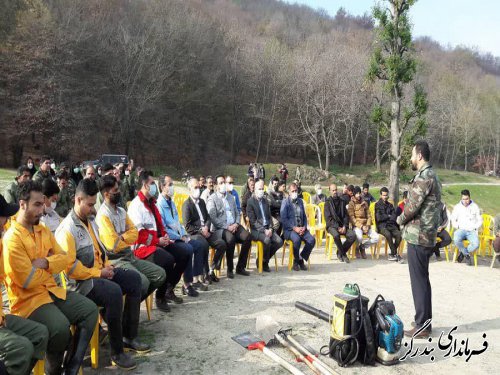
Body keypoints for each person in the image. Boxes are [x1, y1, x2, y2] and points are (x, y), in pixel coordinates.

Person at [2, 180, 98, 375]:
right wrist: (53, 264)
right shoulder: (12, 238)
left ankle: (70, 367)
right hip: (28, 302)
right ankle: (52, 371)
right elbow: (27, 281)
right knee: (60, 328)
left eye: (42, 203)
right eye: (37, 205)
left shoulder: (42, 229)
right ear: (22, 204)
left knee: (89, 310)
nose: (42, 209)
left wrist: (45, 263)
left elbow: (66, 258)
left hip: (52, 290)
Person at [56, 179, 149, 369]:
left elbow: (101, 250)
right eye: (89, 205)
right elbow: (70, 269)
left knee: (133, 279)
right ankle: (117, 352)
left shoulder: (90, 222)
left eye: (93, 204)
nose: (92, 209)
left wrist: (107, 267)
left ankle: (128, 336)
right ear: (78, 200)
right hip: (81, 283)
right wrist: (99, 273)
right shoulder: (67, 229)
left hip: (99, 272)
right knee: (113, 292)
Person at [96, 174, 169, 312]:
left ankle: (126, 309)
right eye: (115, 191)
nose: (119, 193)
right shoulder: (103, 215)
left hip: (129, 255)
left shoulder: (122, 211)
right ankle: (123, 314)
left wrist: (122, 237)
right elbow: (113, 245)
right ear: (106, 194)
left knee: (160, 274)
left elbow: (134, 233)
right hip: (115, 259)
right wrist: (126, 237)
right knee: (143, 282)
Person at [396, 140, 441, 339]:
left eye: (413, 155)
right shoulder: (432, 175)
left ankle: (422, 325)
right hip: (426, 235)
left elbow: (412, 206)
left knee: (419, 281)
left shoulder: (425, 177)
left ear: (420, 156)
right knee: (423, 279)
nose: (411, 158)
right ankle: (424, 321)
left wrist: (399, 219)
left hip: (419, 236)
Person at [0, 194, 49, 375]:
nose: (6, 222)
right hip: (14, 309)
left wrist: (44, 264)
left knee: (40, 334)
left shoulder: (3, 243)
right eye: (3, 216)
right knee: (22, 347)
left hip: (3, 317)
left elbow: (62, 258)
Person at [128, 171, 190, 304]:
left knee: (184, 253)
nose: (154, 186)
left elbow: (159, 225)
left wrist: (165, 236)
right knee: (168, 260)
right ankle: (160, 297)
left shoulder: (152, 203)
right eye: (152, 183)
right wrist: (158, 241)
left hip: (157, 243)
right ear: (145, 185)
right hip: (142, 248)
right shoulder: (136, 205)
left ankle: (169, 288)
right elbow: (140, 234)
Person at [157, 175, 208, 296]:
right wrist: (179, 237)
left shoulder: (171, 202)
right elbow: (164, 228)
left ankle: (196, 279)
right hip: (170, 239)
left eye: (172, 184)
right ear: (162, 187)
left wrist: (184, 235)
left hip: (180, 236)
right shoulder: (160, 204)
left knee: (198, 245)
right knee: (188, 249)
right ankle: (186, 284)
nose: (172, 187)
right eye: (169, 185)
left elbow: (178, 223)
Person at [183, 178, 228, 283]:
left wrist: (207, 227)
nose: (198, 189)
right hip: (195, 234)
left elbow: (207, 217)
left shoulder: (202, 202)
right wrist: (200, 230)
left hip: (206, 231)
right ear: (189, 189)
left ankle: (212, 269)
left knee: (222, 244)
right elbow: (187, 226)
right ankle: (205, 273)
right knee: (204, 245)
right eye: (195, 187)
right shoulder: (187, 205)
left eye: (198, 187)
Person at [206, 175, 251, 278]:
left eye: (224, 182)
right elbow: (213, 218)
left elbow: (236, 212)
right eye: (221, 183)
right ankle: (230, 269)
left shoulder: (231, 197)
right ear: (216, 185)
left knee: (248, 237)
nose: (223, 185)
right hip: (221, 228)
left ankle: (240, 267)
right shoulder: (212, 199)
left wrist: (236, 223)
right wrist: (227, 226)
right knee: (230, 239)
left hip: (234, 225)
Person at [246, 179, 283, 272]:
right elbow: (253, 221)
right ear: (254, 189)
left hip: (268, 228)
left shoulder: (265, 201)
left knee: (279, 241)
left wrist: (270, 228)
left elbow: (269, 217)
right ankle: (264, 263)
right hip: (256, 230)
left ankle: (263, 259)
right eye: (259, 188)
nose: (261, 190)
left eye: (262, 188)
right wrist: (264, 230)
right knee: (267, 240)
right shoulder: (250, 202)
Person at [280, 183, 315, 271]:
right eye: (293, 191)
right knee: (297, 239)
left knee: (312, 240)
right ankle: (296, 262)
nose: (295, 192)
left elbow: (304, 216)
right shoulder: (285, 202)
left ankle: (300, 258)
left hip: (301, 228)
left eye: (296, 191)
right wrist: (294, 228)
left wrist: (304, 227)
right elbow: (284, 219)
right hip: (290, 230)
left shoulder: (300, 201)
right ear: (289, 192)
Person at [324, 184, 356, 263]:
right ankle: (344, 255)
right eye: (333, 190)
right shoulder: (327, 203)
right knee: (336, 235)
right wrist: (338, 227)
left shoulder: (342, 201)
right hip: (332, 226)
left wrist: (345, 226)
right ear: (330, 191)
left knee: (352, 235)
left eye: (336, 190)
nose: (335, 192)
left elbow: (346, 215)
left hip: (343, 226)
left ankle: (340, 252)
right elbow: (328, 219)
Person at [450, 189, 482, 266]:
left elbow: (480, 220)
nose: (465, 201)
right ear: (461, 198)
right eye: (463, 199)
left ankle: (463, 253)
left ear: (469, 198)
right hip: (461, 229)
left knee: (476, 244)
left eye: (467, 199)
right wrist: (457, 226)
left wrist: (475, 227)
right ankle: (466, 255)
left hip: (471, 231)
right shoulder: (457, 207)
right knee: (456, 239)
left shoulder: (475, 206)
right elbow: (453, 218)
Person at [348, 186, 379, 259]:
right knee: (359, 237)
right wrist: (361, 226)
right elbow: (352, 218)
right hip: (357, 226)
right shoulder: (351, 204)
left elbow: (369, 216)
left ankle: (362, 247)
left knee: (376, 237)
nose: (358, 195)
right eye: (356, 194)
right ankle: (356, 249)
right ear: (354, 194)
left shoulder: (364, 203)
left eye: (359, 193)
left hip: (366, 226)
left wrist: (368, 225)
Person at [375, 187, 402, 261]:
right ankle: (395, 254)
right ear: (380, 195)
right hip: (382, 226)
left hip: (391, 225)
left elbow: (394, 216)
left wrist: (387, 216)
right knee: (388, 234)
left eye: (386, 195)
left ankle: (392, 254)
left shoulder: (390, 205)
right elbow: (379, 218)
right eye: (383, 195)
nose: (385, 197)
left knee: (399, 235)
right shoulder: (377, 205)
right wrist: (388, 216)